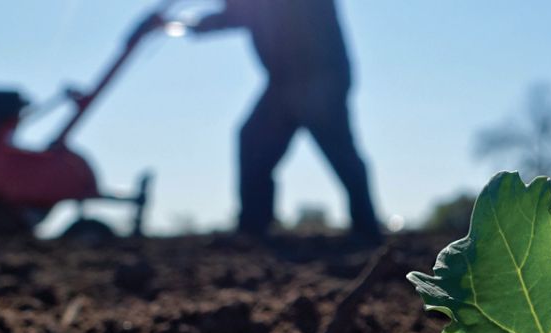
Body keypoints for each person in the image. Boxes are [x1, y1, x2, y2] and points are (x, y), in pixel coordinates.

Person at [142, 0, 381, 242]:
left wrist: (175, 23)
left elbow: (241, 12)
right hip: (284, 81)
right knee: (253, 141)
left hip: (320, 77)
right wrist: (172, 24)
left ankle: (366, 229)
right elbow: (231, 17)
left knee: (340, 152)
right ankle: (253, 227)